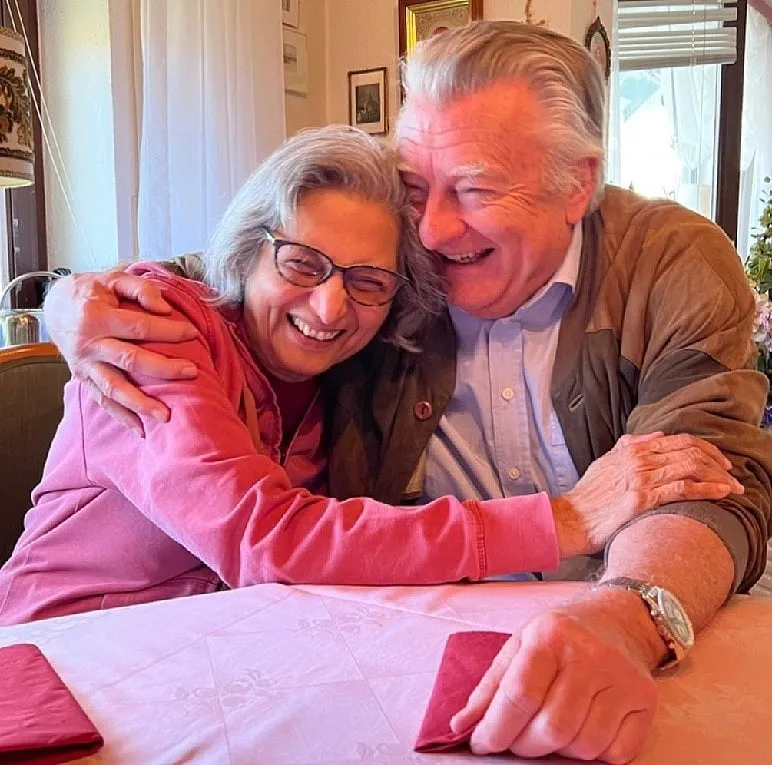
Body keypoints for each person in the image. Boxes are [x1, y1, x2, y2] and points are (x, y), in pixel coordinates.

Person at [39, 21, 771, 764]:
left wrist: (627, 615)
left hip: (582, 621)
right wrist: (70, 297)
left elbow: (703, 476)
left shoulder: (664, 262)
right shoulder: (355, 272)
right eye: (416, 188)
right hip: (175, 654)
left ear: (576, 183)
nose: (429, 226)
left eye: (475, 188)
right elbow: (245, 263)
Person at [1, 124, 734, 628]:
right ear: (250, 249)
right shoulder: (155, 335)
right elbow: (269, 541)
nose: (329, 306)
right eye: (302, 263)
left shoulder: (342, 375)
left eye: (368, 281)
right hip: (63, 661)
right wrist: (566, 517)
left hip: (210, 656)